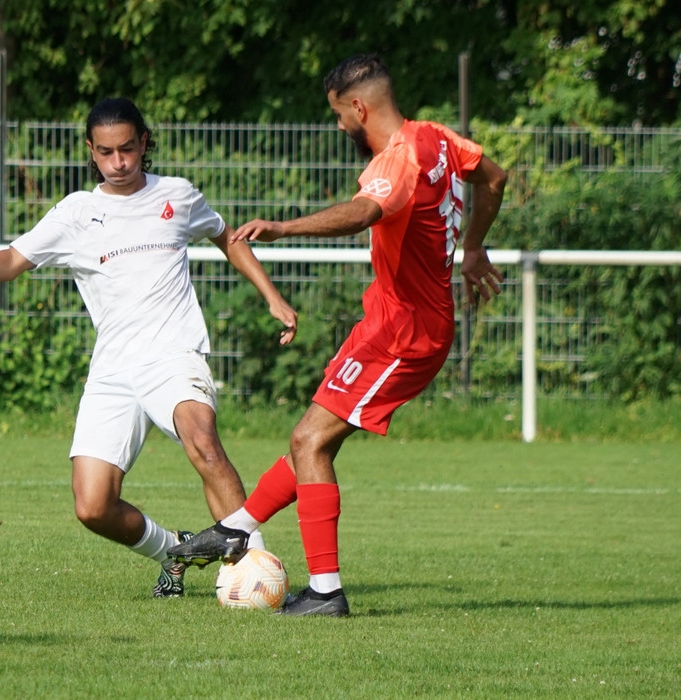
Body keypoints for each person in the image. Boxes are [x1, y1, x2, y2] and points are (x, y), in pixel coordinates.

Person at [168, 53, 507, 616]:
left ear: (358, 107)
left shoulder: (398, 157)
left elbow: (364, 212)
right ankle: (236, 527)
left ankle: (325, 592)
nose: (340, 125)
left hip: (406, 332)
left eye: (339, 115)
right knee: (313, 442)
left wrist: (284, 226)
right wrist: (473, 246)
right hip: (386, 322)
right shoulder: (438, 138)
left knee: (309, 440)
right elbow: (494, 178)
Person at [0, 97, 297, 599]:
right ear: (91, 151)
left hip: (174, 354)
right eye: (106, 152)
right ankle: (174, 551)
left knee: (203, 441)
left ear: (144, 143)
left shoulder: (177, 195)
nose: (119, 162)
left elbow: (227, 236)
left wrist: (273, 297)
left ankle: (256, 568)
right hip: (113, 368)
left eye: (128, 149)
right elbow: (13, 260)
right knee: (92, 506)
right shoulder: (77, 213)